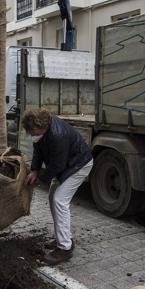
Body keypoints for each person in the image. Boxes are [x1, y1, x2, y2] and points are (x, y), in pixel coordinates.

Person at [23, 109, 93, 265]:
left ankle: (64, 249)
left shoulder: (57, 136)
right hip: (67, 165)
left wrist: (39, 180)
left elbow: (57, 166)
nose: (32, 135)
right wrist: (34, 169)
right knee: (53, 198)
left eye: (34, 132)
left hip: (79, 165)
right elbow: (39, 150)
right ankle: (63, 238)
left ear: (43, 126)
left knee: (60, 201)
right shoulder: (43, 130)